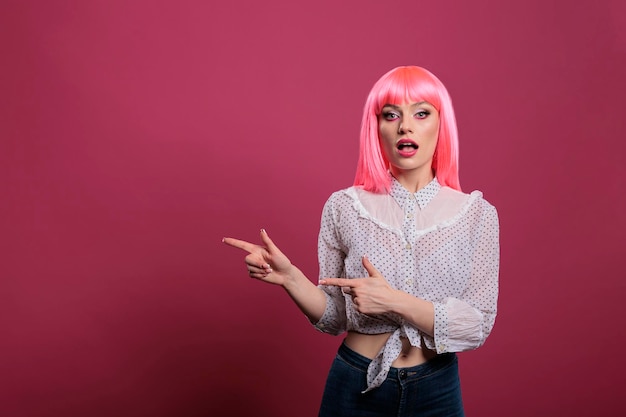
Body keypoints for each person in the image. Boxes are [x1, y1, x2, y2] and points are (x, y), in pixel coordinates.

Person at [222, 66, 499, 417]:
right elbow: (337, 316)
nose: (405, 126)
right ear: (377, 127)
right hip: (355, 383)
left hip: (437, 389)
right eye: (391, 114)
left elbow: (477, 325)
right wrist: (291, 278)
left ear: (441, 125)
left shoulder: (476, 214)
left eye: (421, 113)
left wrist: (394, 301)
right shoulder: (345, 206)